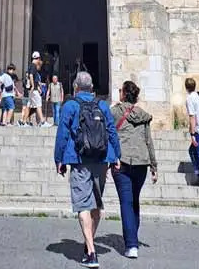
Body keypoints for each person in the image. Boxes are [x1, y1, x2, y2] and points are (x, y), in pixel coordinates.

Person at [54, 70, 121, 268]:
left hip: (79, 158)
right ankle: (89, 244)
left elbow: (62, 134)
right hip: (102, 158)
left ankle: (91, 252)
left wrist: (58, 159)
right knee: (96, 205)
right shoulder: (103, 105)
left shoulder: (70, 106)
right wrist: (117, 155)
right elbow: (111, 130)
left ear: (75, 87)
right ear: (92, 87)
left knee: (83, 204)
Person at [110, 80, 158, 259]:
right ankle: (133, 239)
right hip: (141, 163)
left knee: (126, 203)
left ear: (123, 94)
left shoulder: (115, 111)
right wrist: (154, 165)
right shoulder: (143, 115)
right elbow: (148, 141)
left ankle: (131, 244)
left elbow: (108, 131)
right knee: (134, 201)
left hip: (121, 162)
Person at [21, 51, 46, 126]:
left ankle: (23, 121)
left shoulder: (31, 65)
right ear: (38, 58)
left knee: (29, 105)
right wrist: (32, 85)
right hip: (33, 89)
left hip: (32, 89)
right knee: (38, 104)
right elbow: (31, 75)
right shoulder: (33, 66)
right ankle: (42, 122)